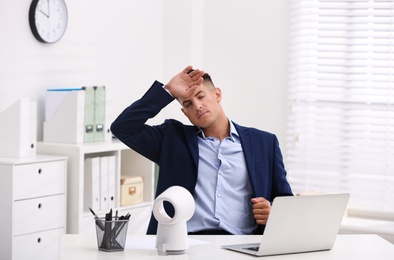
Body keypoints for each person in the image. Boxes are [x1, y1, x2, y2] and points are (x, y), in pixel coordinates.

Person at [111, 65, 293, 235]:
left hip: (241, 244)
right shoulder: (171, 139)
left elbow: (286, 202)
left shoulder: (264, 143)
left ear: (217, 95)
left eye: (201, 96)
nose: (197, 106)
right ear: (184, 112)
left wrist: (273, 212)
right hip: (184, 244)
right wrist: (168, 91)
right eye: (188, 104)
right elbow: (123, 127)